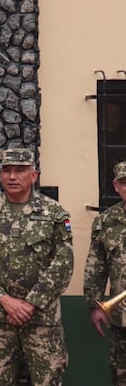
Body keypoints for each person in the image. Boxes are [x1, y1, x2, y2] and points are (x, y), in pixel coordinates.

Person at [0, 148, 73, 386]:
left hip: (42, 318)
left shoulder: (54, 214)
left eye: (20, 170)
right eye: (7, 171)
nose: (12, 176)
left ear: (33, 175)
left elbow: (63, 264)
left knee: (48, 381)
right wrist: (5, 300)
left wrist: (30, 303)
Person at [85, 160, 126, 386]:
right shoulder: (105, 222)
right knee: (121, 375)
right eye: (125, 183)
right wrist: (95, 305)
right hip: (122, 317)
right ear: (116, 186)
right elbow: (96, 267)